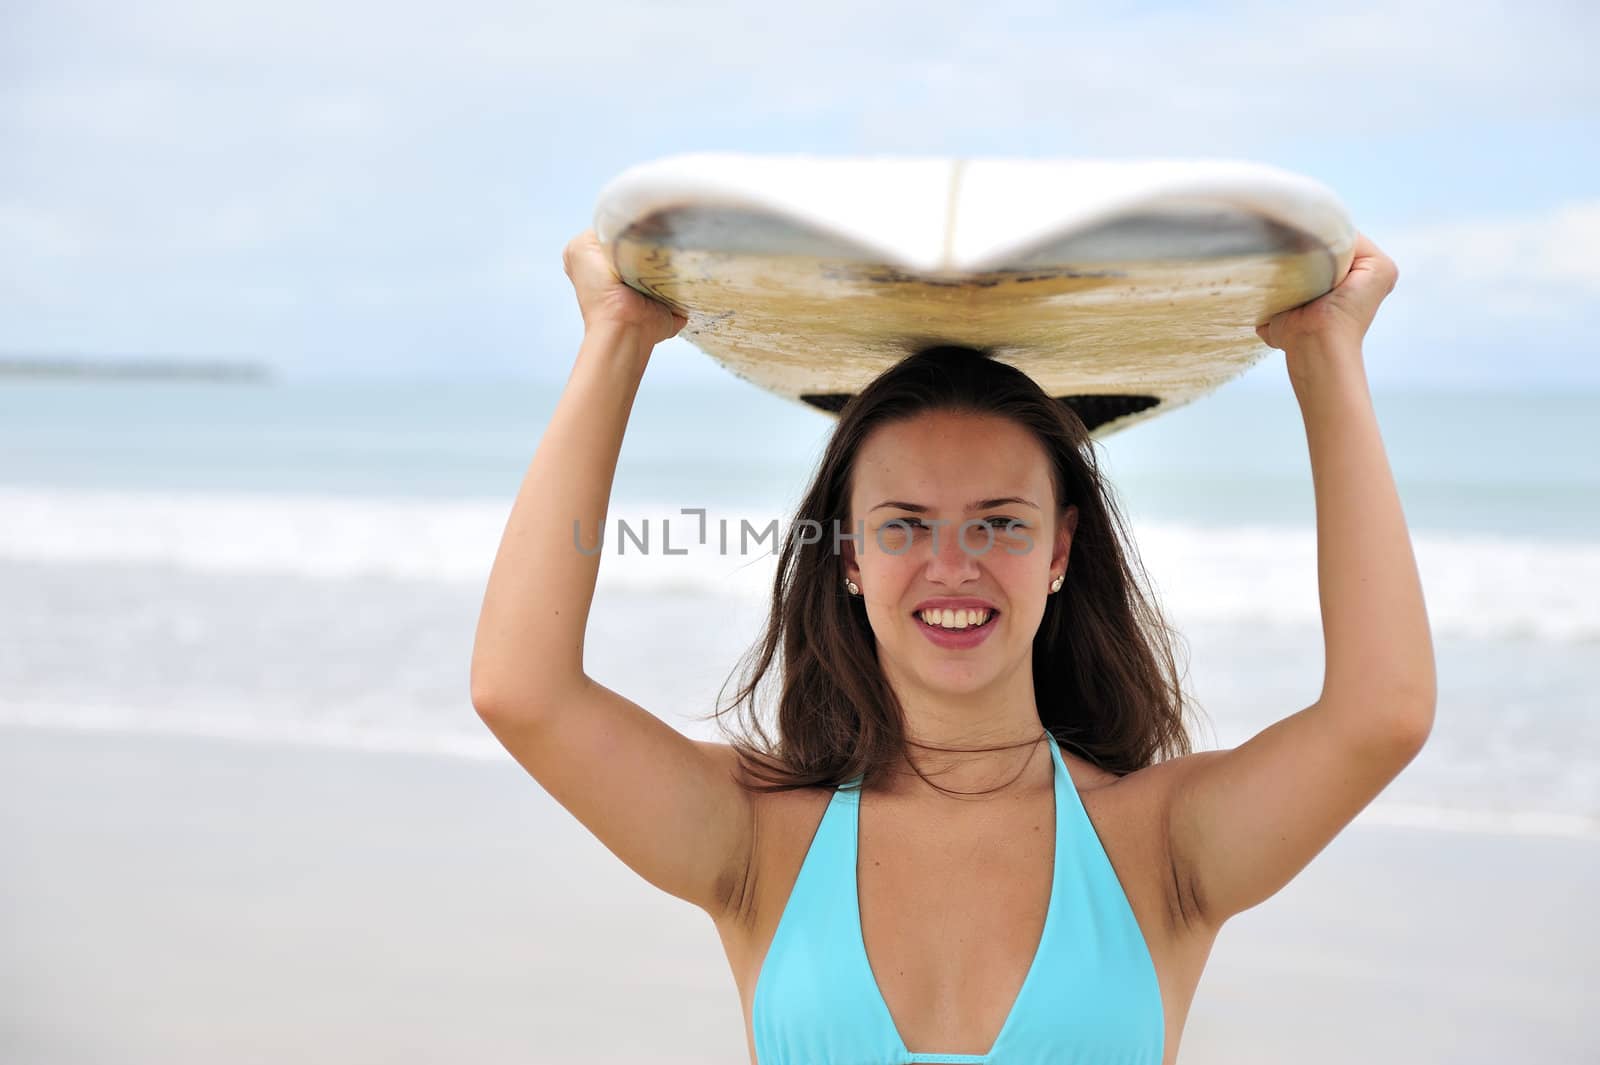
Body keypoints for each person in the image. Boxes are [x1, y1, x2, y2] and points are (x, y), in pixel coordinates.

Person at [470, 227, 1434, 1065]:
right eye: (904, 524)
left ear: (1059, 549)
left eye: (1001, 523)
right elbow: (522, 690)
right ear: (847, 555)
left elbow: (1380, 713)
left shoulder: (1163, 844)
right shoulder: (760, 839)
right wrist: (617, 337)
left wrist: (1324, 352)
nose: (954, 564)